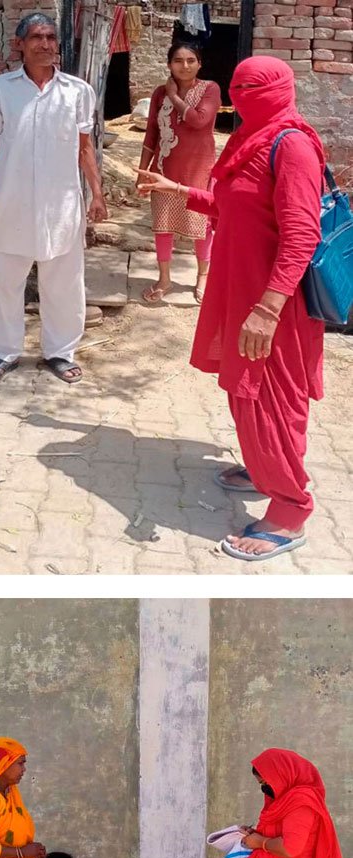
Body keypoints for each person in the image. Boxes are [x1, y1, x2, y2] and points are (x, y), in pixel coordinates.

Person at [138, 58, 326, 561]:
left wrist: (267, 309)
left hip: (273, 304)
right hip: (238, 290)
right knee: (246, 393)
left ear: (282, 90)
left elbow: (302, 233)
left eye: (254, 88)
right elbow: (230, 207)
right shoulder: (251, 140)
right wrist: (178, 191)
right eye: (238, 86)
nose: (242, 94)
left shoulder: (292, 146)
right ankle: (262, 467)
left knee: (270, 398)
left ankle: (290, 509)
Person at [0, 13, 108, 387]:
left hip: (60, 204)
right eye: (36, 37)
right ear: (21, 44)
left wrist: (97, 193)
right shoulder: (1, 89)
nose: (45, 44)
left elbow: (85, 148)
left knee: (63, 281)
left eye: (50, 37)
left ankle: (61, 352)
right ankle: (1, 353)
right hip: (11, 201)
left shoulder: (77, 91)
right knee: (4, 281)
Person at [138, 43, 221, 304]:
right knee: (162, 225)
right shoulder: (158, 93)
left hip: (199, 169)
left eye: (190, 60)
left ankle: (203, 276)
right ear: (169, 64)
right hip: (164, 167)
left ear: (200, 64)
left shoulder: (210, 89)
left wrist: (174, 96)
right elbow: (152, 131)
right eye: (178, 60)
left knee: (201, 226)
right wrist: (143, 171)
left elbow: (199, 121)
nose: (184, 66)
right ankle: (164, 279)